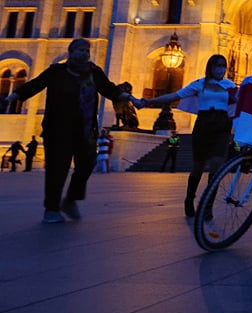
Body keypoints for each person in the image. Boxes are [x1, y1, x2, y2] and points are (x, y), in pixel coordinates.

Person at [3, 38, 134, 223]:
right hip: (57, 129)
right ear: (71, 52)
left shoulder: (94, 73)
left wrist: (130, 98)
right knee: (57, 169)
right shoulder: (57, 72)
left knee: (87, 164)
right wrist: (14, 96)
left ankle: (71, 199)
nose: (84, 53)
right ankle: (52, 209)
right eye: (80, 50)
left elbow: (109, 89)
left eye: (86, 50)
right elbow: (35, 84)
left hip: (85, 129)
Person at [137, 54, 237, 217]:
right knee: (198, 167)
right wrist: (149, 101)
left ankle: (207, 206)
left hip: (221, 125)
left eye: (223, 66)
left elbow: (244, 100)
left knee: (216, 166)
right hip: (204, 124)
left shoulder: (229, 85)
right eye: (218, 65)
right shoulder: (199, 84)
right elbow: (175, 96)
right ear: (210, 67)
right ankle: (189, 199)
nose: (221, 69)